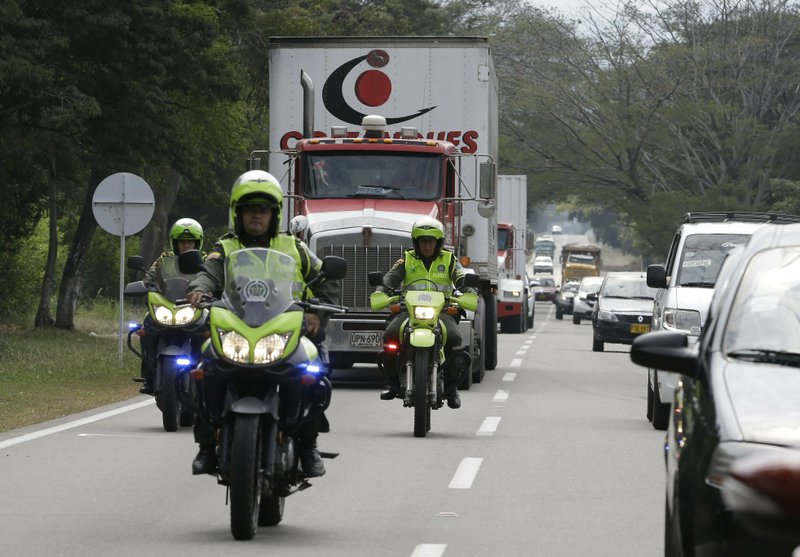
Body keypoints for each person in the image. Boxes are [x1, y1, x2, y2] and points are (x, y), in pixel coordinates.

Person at [186, 170, 339, 478]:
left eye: (263, 209)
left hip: (285, 329)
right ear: (237, 213)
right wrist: (199, 289)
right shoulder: (225, 248)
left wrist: (316, 315)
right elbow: (209, 272)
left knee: (312, 374)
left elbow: (325, 280)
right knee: (203, 367)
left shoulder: (294, 248)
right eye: (249, 209)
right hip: (238, 328)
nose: (256, 215)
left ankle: (308, 444)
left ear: (275, 214)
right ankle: (205, 445)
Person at [375, 216, 474, 409]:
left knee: (454, 338)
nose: (427, 245)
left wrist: (470, 291)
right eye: (423, 241)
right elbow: (389, 279)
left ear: (438, 243)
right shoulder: (407, 259)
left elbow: (461, 278)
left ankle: (452, 388)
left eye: (430, 241)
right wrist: (380, 292)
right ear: (416, 242)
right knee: (391, 335)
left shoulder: (450, 259)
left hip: (442, 311)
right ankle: (392, 383)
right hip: (409, 311)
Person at [137, 217, 205, 394]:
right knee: (146, 326)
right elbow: (150, 278)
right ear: (174, 242)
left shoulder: (204, 260)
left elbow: (214, 278)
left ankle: (208, 373)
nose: (187, 245)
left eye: (191, 242)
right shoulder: (164, 259)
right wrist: (146, 286)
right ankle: (149, 376)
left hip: (195, 308)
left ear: (198, 243)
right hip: (167, 306)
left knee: (212, 328)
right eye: (183, 241)